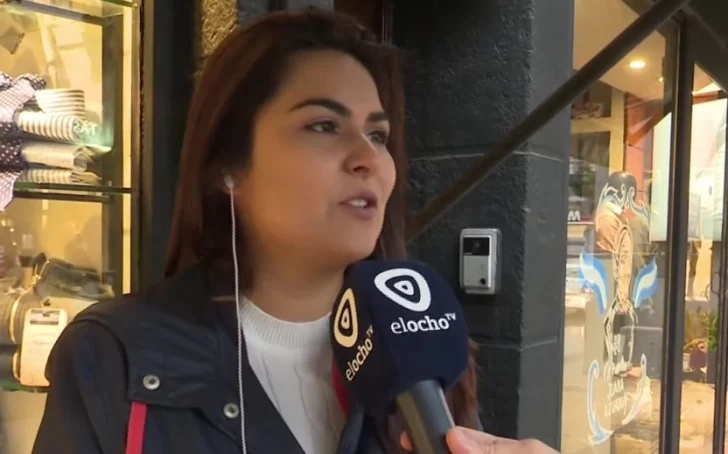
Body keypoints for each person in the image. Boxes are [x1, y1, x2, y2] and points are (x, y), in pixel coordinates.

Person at [31, 9, 559, 454]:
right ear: (228, 168)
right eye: (323, 125)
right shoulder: (112, 357)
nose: (368, 158)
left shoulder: (425, 350)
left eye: (378, 135)